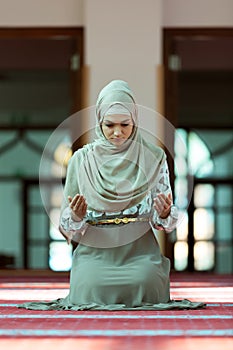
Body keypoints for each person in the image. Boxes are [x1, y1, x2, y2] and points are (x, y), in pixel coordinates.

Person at [19, 80, 205, 311]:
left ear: (135, 122)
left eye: (125, 125)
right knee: (90, 285)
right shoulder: (81, 159)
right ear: (99, 122)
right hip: (94, 253)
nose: (117, 132)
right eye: (109, 125)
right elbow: (67, 226)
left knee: (146, 281)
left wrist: (165, 212)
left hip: (140, 252)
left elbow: (163, 224)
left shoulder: (153, 156)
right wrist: (76, 216)